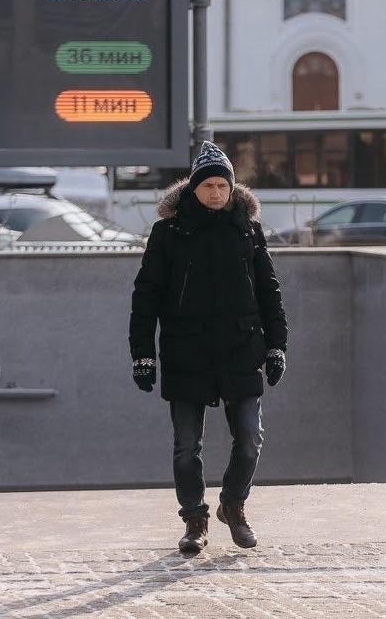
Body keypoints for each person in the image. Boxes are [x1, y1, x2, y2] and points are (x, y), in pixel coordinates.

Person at [129, 140, 288, 555]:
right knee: (186, 445)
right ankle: (194, 520)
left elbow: (269, 291)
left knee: (251, 438)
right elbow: (146, 296)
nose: (216, 193)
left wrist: (277, 346)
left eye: (223, 185)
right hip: (187, 351)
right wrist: (143, 355)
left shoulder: (248, 231)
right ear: (193, 189)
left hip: (241, 348)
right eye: (208, 186)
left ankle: (233, 505)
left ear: (232, 189)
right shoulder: (169, 232)